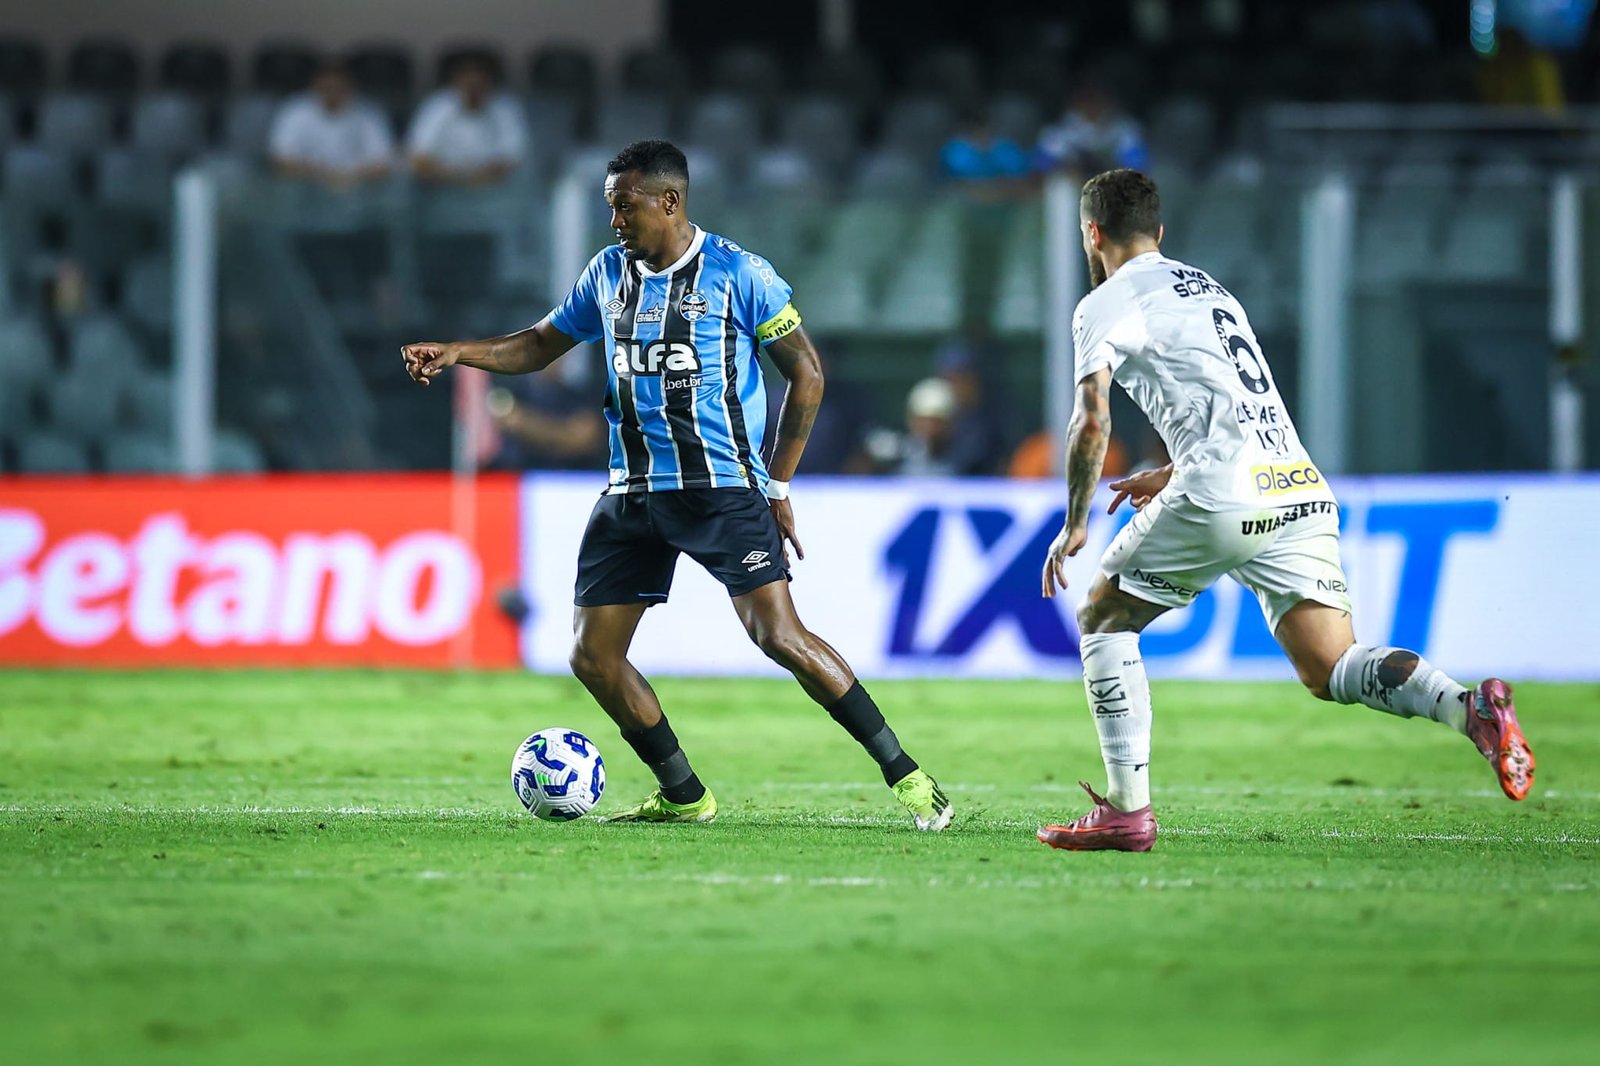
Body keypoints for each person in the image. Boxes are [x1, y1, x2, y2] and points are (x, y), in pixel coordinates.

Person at [402, 140, 952, 830]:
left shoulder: (739, 273)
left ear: (669, 201)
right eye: (610, 207)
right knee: (592, 656)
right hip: (632, 491)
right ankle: (684, 795)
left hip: (719, 488)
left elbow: (807, 374)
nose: (614, 221)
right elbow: (539, 345)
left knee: (779, 636)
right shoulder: (607, 273)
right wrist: (460, 352)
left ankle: (908, 777)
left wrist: (777, 485)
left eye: (624, 206)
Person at [1036, 168, 1535, 853]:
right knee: (1330, 664)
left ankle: (1127, 812)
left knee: (1103, 618)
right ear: (1160, 230)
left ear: (1092, 233)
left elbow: (1091, 420)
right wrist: (1173, 470)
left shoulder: (1103, 302)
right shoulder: (1210, 289)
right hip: (1295, 484)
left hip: (1223, 491)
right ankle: (1465, 706)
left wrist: (1075, 521)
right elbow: (1237, 402)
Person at [268, 58, 395, 189]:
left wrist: (349, 178)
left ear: (351, 87)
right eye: (327, 88)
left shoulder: (369, 114)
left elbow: (383, 164)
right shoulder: (294, 111)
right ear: (315, 85)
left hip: (356, 188)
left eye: (339, 87)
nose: (332, 93)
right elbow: (280, 160)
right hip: (305, 186)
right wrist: (323, 176)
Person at [406, 54, 528, 186]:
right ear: (457, 81)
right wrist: (459, 177)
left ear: (490, 83)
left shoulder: (506, 108)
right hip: (443, 185)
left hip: (494, 186)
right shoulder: (436, 106)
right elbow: (418, 159)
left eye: (479, 85)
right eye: (469, 84)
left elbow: (513, 158)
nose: (473, 90)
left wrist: (478, 177)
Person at [1034, 81, 1149, 176]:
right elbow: (1043, 165)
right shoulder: (1061, 129)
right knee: (1061, 182)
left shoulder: (1122, 127)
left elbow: (1137, 163)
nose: (1091, 105)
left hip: (1112, 180)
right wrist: (1069, 166)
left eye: (1096, 100)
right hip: (1074, 181)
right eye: (1086, 99)